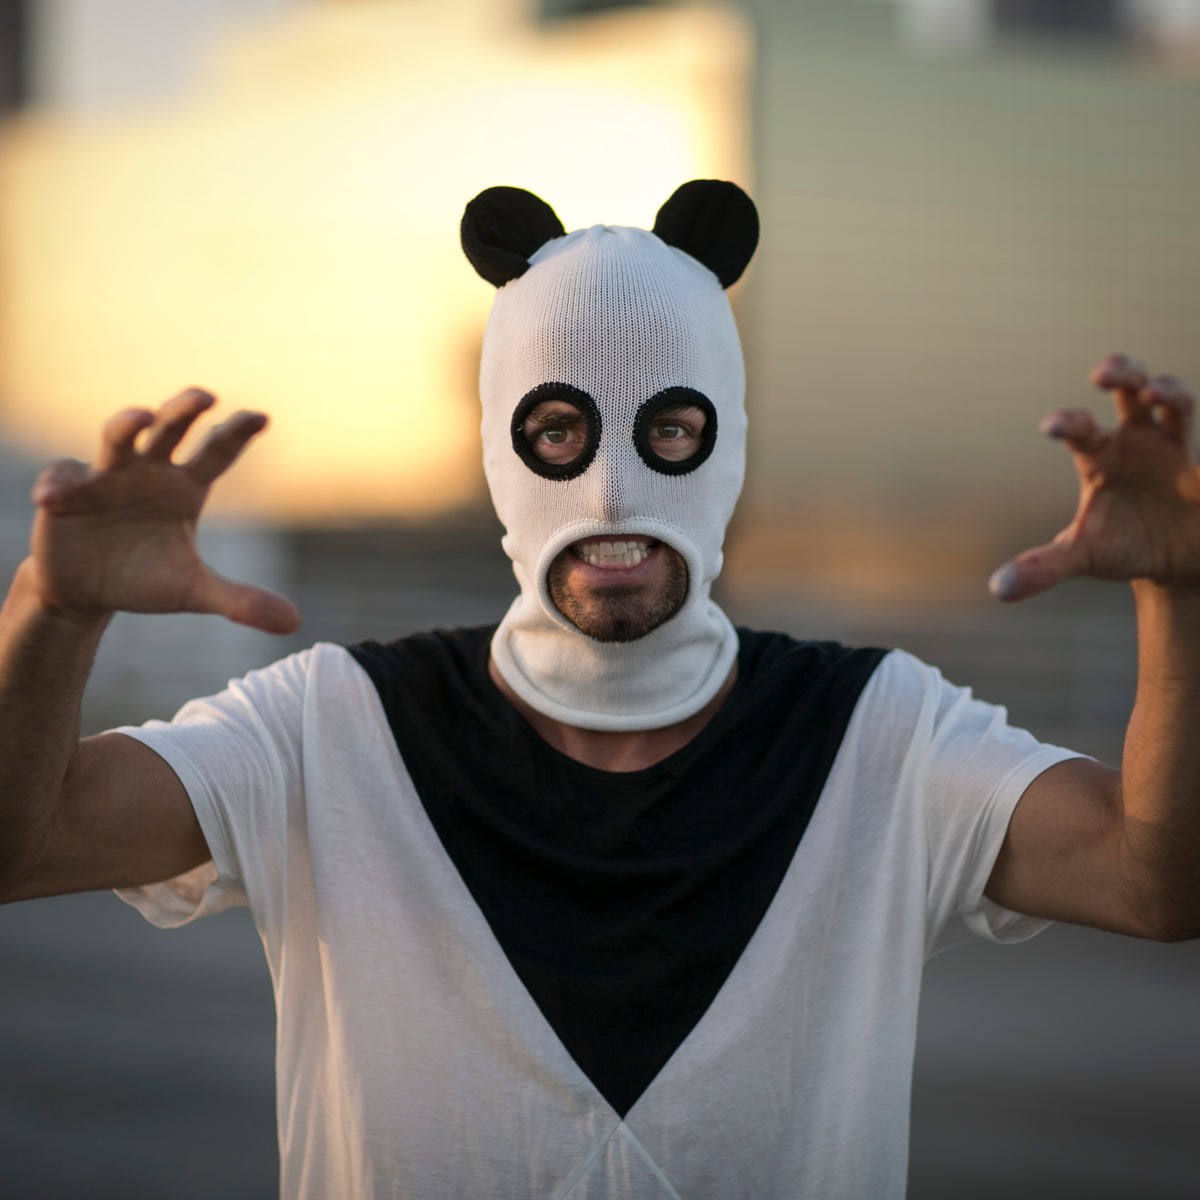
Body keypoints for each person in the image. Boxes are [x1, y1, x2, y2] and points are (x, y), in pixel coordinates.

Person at [0, 179, 1197, 1199]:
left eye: (668, 430)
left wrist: (1181, 597)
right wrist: (54, 613)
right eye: (561, 431)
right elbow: (22, 842)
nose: (614, 490)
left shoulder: (879, 737)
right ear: (500, 447)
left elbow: (1156, 883)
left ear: (725, 441)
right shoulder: (328, 731)